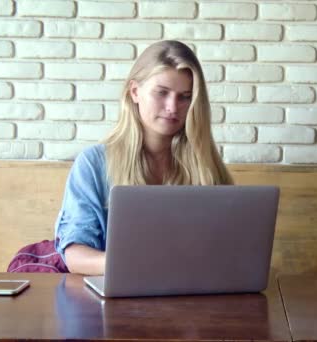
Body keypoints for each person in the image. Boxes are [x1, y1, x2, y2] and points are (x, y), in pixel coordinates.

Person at [54, 40, 233, 275]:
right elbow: (75, 256)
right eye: (162, 93)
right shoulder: (94, 163)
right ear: (135, 92)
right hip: (115, 300)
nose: (173, 107)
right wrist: (143, 265)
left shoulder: (205, 165)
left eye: (185, 97)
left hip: (190, 296)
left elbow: (226, 250)